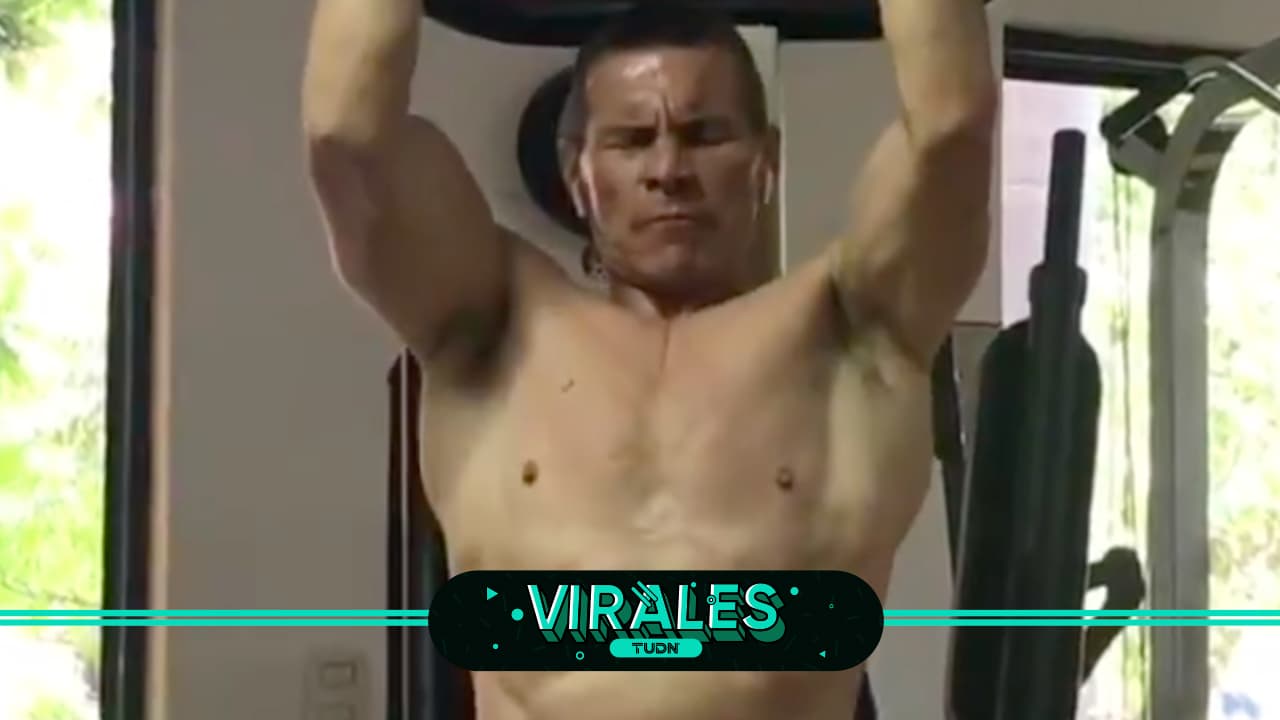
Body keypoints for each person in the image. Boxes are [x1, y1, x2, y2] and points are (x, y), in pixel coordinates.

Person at [303, 0, 995, 717]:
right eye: (632, 140)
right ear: (576, 172)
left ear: (766, 161)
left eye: (705, 134)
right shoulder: (493, 327)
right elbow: (347, 136)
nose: (668, 169)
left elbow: (950, 126)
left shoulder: (852, 332)